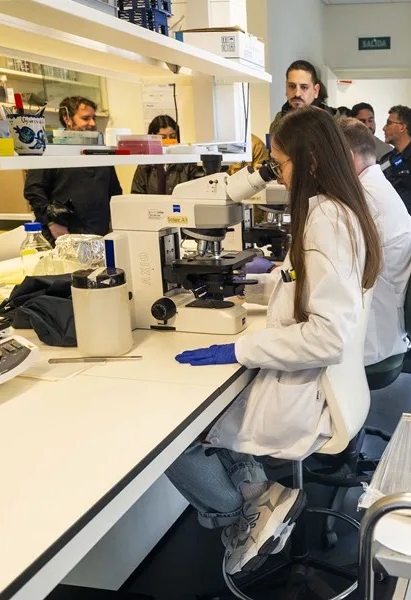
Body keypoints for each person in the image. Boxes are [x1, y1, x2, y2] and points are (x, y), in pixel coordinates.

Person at [165, 107, 382, 575]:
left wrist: (240, 348)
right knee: (215, 412)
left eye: (279, 163)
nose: (275, 175)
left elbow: (326, 336)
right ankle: (259, 496)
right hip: (322, 386)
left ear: (309, 162)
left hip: (302, 396)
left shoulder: (324, 221)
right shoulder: (338, 210)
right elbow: (305, 283)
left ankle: (235, 515)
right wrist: (264, 282)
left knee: (169, 430)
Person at [338, 117, 411, 366]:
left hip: (370, 339)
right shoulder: (375, 186)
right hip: (382, 322)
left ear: (346, 157)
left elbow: (334, 272)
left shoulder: (364, 200)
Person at [24, 96, 122, 242]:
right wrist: (51, 222)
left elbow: (114, 192)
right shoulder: (51, 151)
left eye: (93, 118)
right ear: (67, 119)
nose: (92, 123)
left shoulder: (100, 152)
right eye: (86, 118)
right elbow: (33, 190)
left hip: (100, 235)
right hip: (63, 234)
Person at [131, 115, 204, 195]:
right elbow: (136, 194)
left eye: (172, 137)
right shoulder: (145, 165)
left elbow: (196, 192)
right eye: (163, 137)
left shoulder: (187, 163)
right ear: (152, 137)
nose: (168, 141)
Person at [269, 60, 336, 135]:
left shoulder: (333, 124)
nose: (297, 94)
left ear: (316, 91)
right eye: (292, 86)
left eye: (304, 87)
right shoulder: (278, 123)